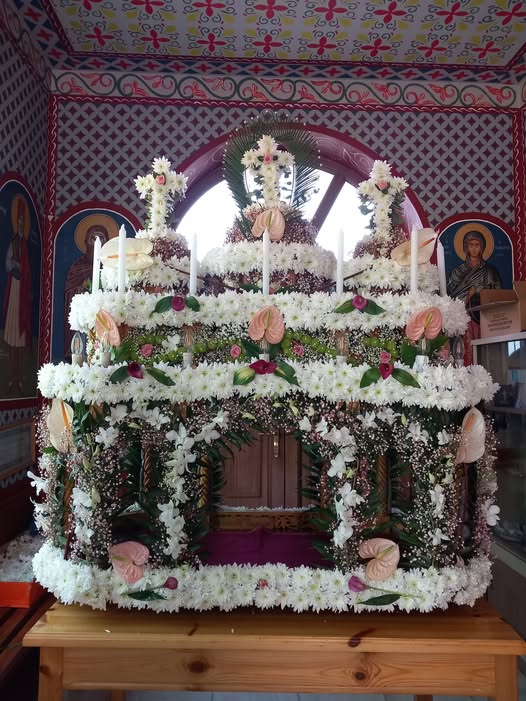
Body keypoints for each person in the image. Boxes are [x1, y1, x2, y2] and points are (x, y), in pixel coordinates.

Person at [2, 196, 31, 395]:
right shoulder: (13, 243)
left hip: (23, 290)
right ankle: (12, 377)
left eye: (23, 223)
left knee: (20, 341)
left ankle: (19, 377)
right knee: (13, 337)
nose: (20, 226)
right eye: (18, 222)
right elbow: (7, 265)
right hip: (14, 289)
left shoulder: (26, 247)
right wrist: (16, 264)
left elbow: (29, 271)